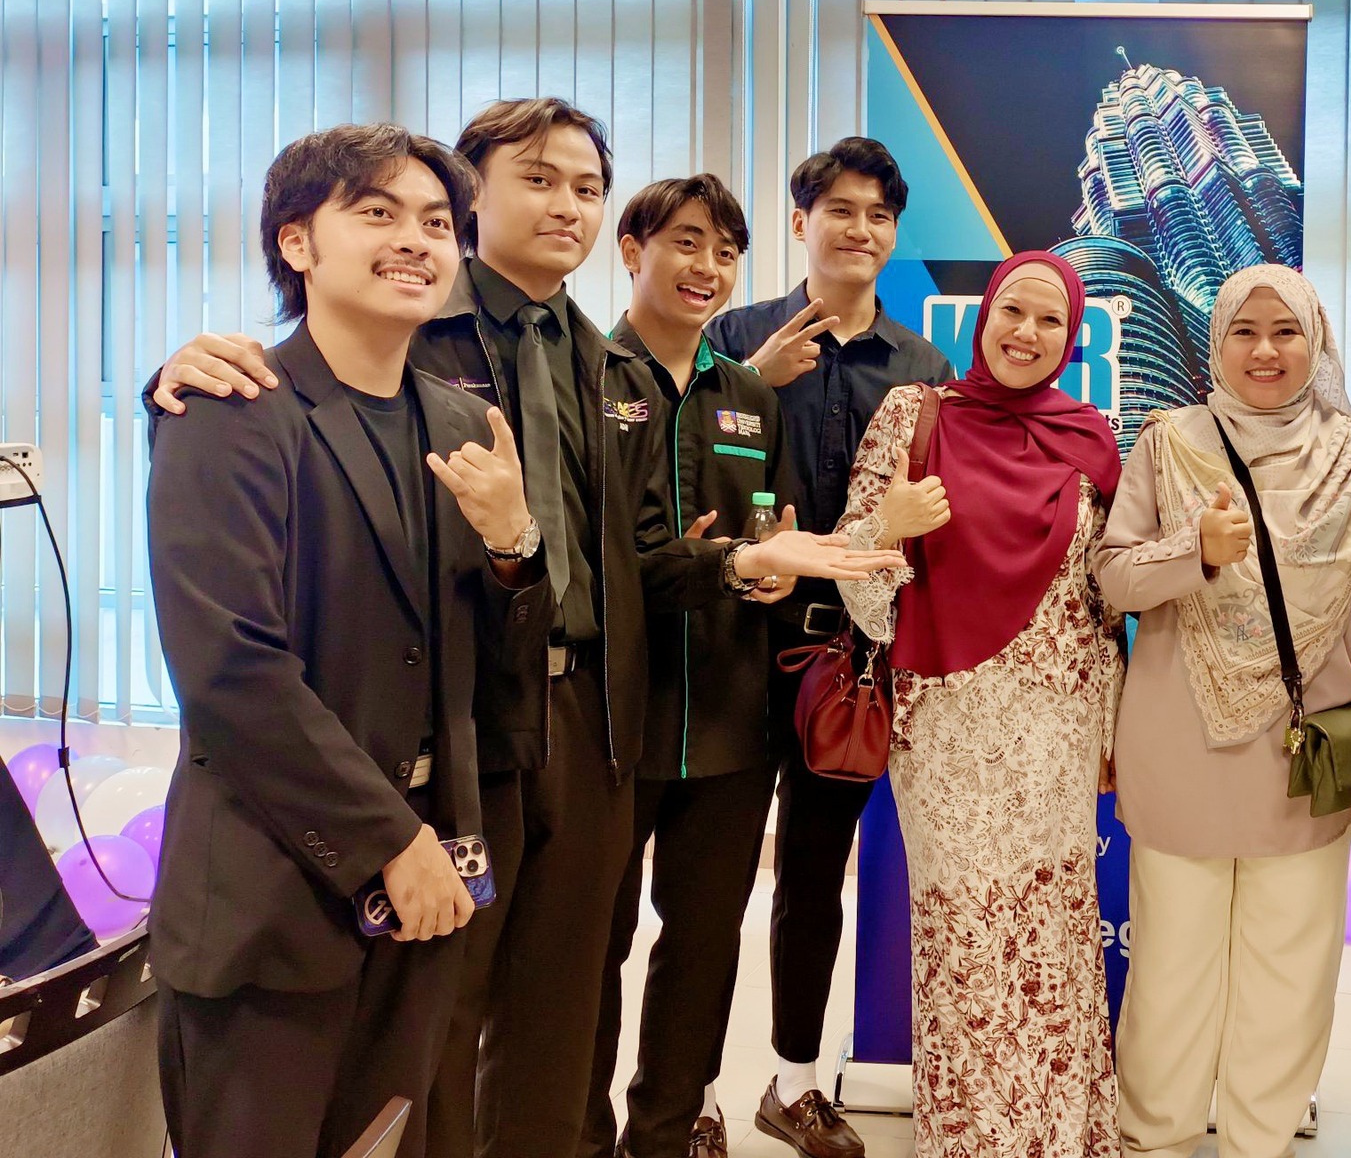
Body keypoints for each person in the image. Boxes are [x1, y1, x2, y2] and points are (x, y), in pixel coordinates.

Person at [146, 100, 895, 1158]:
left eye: (586, 187)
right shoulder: (399, 334)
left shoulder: (604, 366)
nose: (565, 206)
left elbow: (615, 558)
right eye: (537, 179)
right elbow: (241, 623)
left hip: (586, 720)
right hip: (456, 730)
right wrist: (173, 377)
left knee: (559, 1015)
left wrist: (731, 562)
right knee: (435, 1034)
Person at [147, 124, 550, 1158]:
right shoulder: (229, 409)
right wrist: (388, 843)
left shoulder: (462, 425)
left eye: (436, 222)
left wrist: (516, 547)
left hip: (428, 891)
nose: (415, 239)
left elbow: (499, 675)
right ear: (297, 243)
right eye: (377, 212)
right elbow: (230, 670)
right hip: (274, 896)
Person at [1095, 264, 1351, 1158]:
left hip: (1305, 755)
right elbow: (1114, 576)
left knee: (1290, 977)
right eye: (1244, 331)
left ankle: (1260, 1141)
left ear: (1316, 341)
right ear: (1218, 343)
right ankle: (1155, 1140)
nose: (1266, 351)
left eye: (1286, 331)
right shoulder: (1167, 445)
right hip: (1180, 746)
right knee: (1168, 970)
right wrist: (1194, 550)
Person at [833, 252, 1123, 1158]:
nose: (1027, 334)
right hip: (949, 724)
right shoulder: (916, 415)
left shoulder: (1092, 437)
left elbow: (1103, 598)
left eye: (1050, 321)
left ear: (1072, 338)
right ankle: (969, 1140)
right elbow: (854, 576)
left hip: (1059, 727)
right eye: (1013, 313)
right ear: (983, 317)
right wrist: (889, 529)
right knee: (963, 939)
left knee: (1054, 935)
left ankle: (1063, 1138)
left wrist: (1112, 732)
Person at [704, 136, 951, 1154]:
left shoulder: (922, 366)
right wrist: (749, 382)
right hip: (728, 646)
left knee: (813, 881)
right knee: (708, 885)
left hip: (846, 666)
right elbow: (686, 470)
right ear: (801, 221)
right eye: (839, 210)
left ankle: (794, 1085)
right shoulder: (733, 335)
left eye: (878, 215)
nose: (860, 230)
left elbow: (936, 520)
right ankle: (689, 1098)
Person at [580, 175, 803, 1158]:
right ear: (632, 250)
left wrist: (772, 571)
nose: (707, 266)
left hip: (727, 720)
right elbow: (597, 558)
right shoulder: (584, 378)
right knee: (588, 947)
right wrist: (721, 563)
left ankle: (663, 1136)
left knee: (704, 947)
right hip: (606, 725)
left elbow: (774, 532)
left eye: (725, 251)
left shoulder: (750, 397)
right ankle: (575, 1137)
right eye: (685, 241)